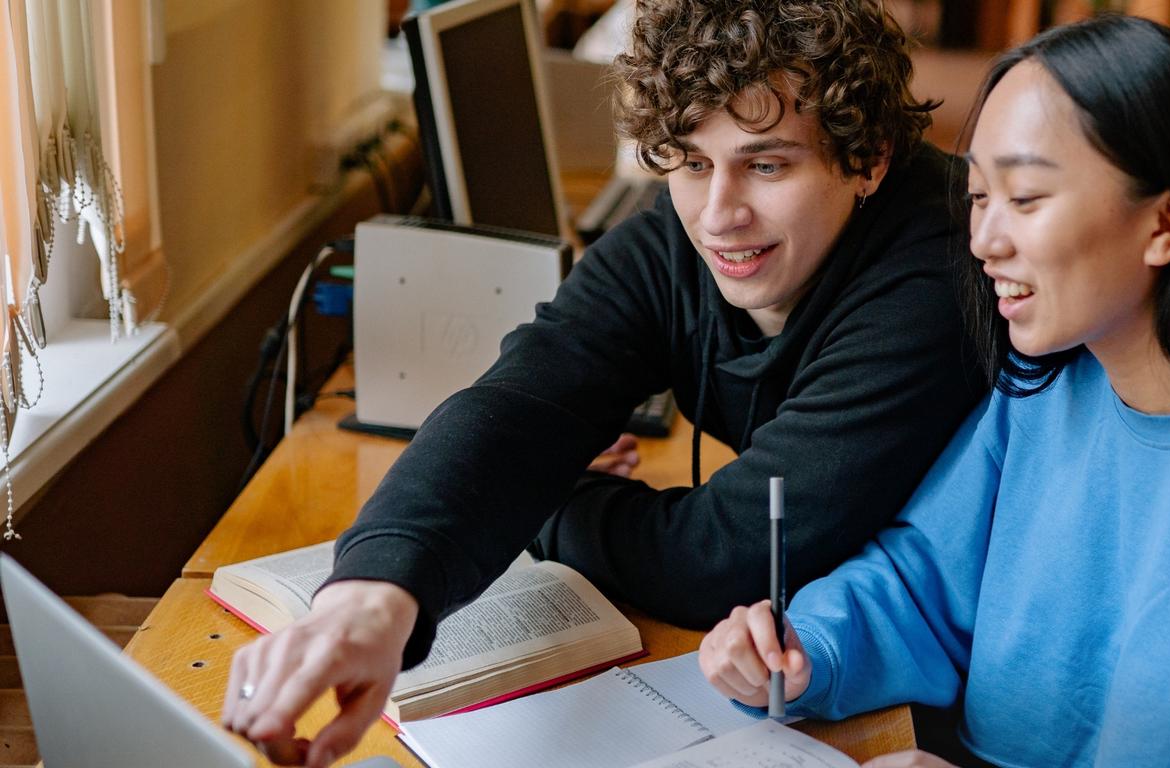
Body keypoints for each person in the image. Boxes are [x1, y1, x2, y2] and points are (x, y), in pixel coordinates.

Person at [220, 1, 984, 765]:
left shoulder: (938, 271)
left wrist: (556, 496)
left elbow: (728, 557)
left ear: (870, 158)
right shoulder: (681, 238)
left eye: (767, 163)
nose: (717, 216)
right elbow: (522, 401)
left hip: (959, 700)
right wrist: (370, 600)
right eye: (690, 161)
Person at [699, 15, 1170, 767]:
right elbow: (920, 584)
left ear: (1166, 222)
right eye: (980, 196)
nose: (984, 239)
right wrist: (803, 646)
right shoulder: (1044, 388)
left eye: (1024, 198)